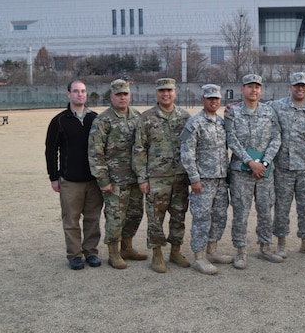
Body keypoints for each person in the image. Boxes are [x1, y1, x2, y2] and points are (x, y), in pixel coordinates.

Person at [132, 78, 191, 273]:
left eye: (169, 90)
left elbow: (191, 147)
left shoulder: (184, 117)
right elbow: (139, 149)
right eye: (162, 91)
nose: (166, 94)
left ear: (175, 92)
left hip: (180, 176)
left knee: (179, 215)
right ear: (157, 93)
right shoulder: (147, 118)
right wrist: (142, 178)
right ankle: (157, 253)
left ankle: (175, 250)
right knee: (155, 218)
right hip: (157, 178)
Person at [225, 74, 283, 269]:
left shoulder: (269, 112)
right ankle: (241, 251)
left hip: (264, 173)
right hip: (242, 172)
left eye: (257, 87)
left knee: (266, 211)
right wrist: (250, 162)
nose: (254, 90)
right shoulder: (233, 113)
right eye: (249, 86)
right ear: (242, 89)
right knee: (241, 213)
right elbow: (231, 139)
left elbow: (276, 138)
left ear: (261, 90)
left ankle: (265, 247)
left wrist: (264, 162)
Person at [88, 79, 146, 270]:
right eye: (118, 94)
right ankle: (113, 253)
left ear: (130, 95)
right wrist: (103, 179)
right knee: (115, 217)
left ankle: (127, 247)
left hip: (135, 178)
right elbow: (95, 152)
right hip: (114, 180)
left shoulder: (137, 116)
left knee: (135, 214)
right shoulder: (103, 120)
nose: (122, 97)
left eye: (125, 94)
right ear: (111, 96)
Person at [45, 80, 103, 270]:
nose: (80, 94)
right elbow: (51, 150)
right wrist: (54, 177)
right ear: (68, 94)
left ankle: (91, 252)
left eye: (83, 91)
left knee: (92, 219)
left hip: (93, 180)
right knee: (71, 220)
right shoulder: (59, 121)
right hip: (70, 180)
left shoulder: (95, 119)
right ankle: (75, 255)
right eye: (76, 91)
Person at [269, 72, 305, 258]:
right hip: (282, 167)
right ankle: (281, 243)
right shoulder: (276, 107)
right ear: (290, 87)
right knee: (282, 206)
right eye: (297, 86)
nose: (300, 89)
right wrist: (233, 108)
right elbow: (256, 109)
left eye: (303, 86)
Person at [180, 84, 233, 275]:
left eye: (217, 98)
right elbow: (186, 154)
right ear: (202, 99)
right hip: (203, 180)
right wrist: (194, 179)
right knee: (201, 218)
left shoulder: (222, 122)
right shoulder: (194, 123)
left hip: (220, 179)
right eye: (210, 98)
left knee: (219, 217)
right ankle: (199, 257)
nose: (213, 101)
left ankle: (212, 250)